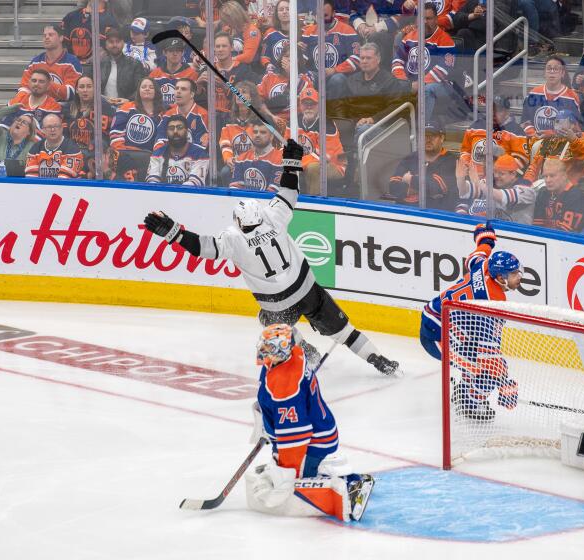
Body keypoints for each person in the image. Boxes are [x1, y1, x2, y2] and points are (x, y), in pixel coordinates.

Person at [143, 139, 402, 376]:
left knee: (266, 322)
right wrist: (291, 162)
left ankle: (302, 354)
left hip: (277, 305)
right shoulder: (273, 217)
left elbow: (203, 248)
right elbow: (289, 192)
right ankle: (380, 361)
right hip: (307, 289)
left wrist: (173, 233)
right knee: (345, 332)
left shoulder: (233, 238)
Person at [243, 323, 375, 522]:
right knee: (284, 471)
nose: (263, 350)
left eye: (269, 347)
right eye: (264, 344)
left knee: (297, 483)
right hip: (311, 428)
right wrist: (266, 421)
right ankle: (310, 470)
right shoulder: (292, 355)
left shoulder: (286, 385)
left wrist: (288, 475)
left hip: (313, 440)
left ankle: (352, 485)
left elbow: (296, 436)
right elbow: (270, 394)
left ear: (281, 350)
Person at [419, 222, 521, 421]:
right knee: (490, 371)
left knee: (475, 354)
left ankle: (467, 389)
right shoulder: (493, 303)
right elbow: (489, 354)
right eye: (514, 273)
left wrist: (485, 237)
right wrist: (504, 384)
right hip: (437, 338)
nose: (520, 276)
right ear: (500, 277)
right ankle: (469, 401)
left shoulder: (484, 268)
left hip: (440, 323)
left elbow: (478, 254)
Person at [392, 4, 457, 120]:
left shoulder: (446, 40)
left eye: (429, 18)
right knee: (391, 85)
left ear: (436, 19)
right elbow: (397, 61)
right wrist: (404, 82)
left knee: (427, 90)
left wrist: (419, 84)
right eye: (422, 18)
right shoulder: (409, 37)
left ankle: (421, 129)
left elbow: (442, 70)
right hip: (411, 82)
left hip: (440, 85)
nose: (425, 22)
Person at [384, 119, 458, 210]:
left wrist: (410, 179)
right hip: (404, 212)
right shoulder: (410, 157)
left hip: (434, 215)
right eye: (425, 136)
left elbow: (436, 187)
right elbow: (393, 186)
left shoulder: (451, 160)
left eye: (433, 136)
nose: (428, 140)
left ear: (442, 138)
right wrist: (417, 189)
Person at [292, 87, 346, 194]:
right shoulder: (294, 120)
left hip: (335, 165)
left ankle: (314, 205)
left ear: (319, 106)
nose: (308, 107)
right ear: (300, 105)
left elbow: (324, 157)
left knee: (313, 168)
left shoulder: (326, 124)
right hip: (303, 161)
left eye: (312, 104)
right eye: (305, 103)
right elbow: (285, 146)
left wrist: (296, 162)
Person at [300, 0, 360, 96]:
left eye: (325, 16)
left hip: (339, 74)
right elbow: (303, 60)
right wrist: (298, 50)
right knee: (304, 77)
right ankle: (309, 108)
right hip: (316, 74)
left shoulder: (347, 31)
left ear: (333, 14)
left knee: (337, 79)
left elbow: (357, 59)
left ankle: (333, 110)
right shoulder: (309, 32)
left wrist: (335, 70)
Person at [62, 75, 116, 178]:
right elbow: (64, 136)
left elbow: (104, 138)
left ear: (95, 89)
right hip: (72, 152)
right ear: (77, 90)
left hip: (94, 153)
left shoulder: (103, 107)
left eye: (89, 86)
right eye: (81, 87)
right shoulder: (68, 108)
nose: (85, 90)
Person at [521, 56, 583, 140]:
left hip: (561, 145)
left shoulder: (572, 97)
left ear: (562, 73)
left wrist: (553, 134)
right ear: (544, 73)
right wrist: (534, 135)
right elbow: (525, 121)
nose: (552, 72)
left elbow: (576, 129)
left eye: (556, 69)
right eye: (549, 68)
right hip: (535, 143)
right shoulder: (533, 94)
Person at [18, 24, 83, 102]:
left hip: (62, 108)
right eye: (44, 35)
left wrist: (46, 84)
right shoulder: (36, 62)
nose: (47, 37)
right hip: (38, 106)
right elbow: (24, 88)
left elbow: (71, 93)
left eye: (51, 35)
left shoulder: (72, 62)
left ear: (61, 38)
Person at [532, 157, 584, 232]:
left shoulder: (576, 197)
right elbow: (536, 227)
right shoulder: (543, 192)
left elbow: (565, 233)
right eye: (545, 176)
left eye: (552, 176)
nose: (548, 180)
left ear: (564, 176)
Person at [147, 114, 209, 185]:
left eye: (179, 128)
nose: (175, 131)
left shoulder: (200, 154)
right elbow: (152, 182)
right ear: (167, 132)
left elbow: (194, 184)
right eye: (171, 128)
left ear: (186, 131)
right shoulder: (158, 154)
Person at [24, 113, 85, 179]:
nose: (53, 129)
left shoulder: (72, 148)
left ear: (62, 128)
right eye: (49, 127)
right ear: (43, 130)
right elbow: (31, 179)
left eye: (56, 126)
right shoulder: (35, 148)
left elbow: (63, 180)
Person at [98, 27, 147, 107]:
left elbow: (141, 89)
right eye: (111, 42)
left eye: (118, 42)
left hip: (127, 107)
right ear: (106, 45)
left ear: (123, 43)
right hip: (103, 107)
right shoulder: (99, 64)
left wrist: (128, 100)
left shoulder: (135, 64)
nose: (114, 45)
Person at [229, 120, 284, 191]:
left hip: (267, 201)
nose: (258, 135)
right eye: (255, 132)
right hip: (245, 200)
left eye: (263, 132)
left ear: (271, 137)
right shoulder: (241, 158)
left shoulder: (279, 159)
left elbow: (273, 192)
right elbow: (235, 188)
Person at [0, 107, 37, 176]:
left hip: (13, 185)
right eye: (18, 120)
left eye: (24, 122)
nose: (19, 122)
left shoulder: (32, 147)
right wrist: (12, 109)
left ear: (29, 131)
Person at [4, 69, 63, 133]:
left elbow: (48, 134)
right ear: (29, 83)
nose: (36, 84)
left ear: (48, 86)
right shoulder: (18, 100)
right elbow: (4, 125)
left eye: (41, 81)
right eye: (34, 81)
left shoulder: (53, 107)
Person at [159, 78, 210, 149]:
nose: (178, 91)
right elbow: (160, 139)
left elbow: (202, 146)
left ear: (192, 94)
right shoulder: (168, 114)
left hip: (193, 158)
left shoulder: (203, 115)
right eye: (176, 88)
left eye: (183, 89)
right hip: (170, 157)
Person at [150, 38, 200, 109]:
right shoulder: (154, 74)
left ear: (183, 52)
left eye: (178, 50)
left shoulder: (192, 74)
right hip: (159, 113)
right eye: (171, 50)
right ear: (164, 52)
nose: (175, 54)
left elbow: (195, 101)